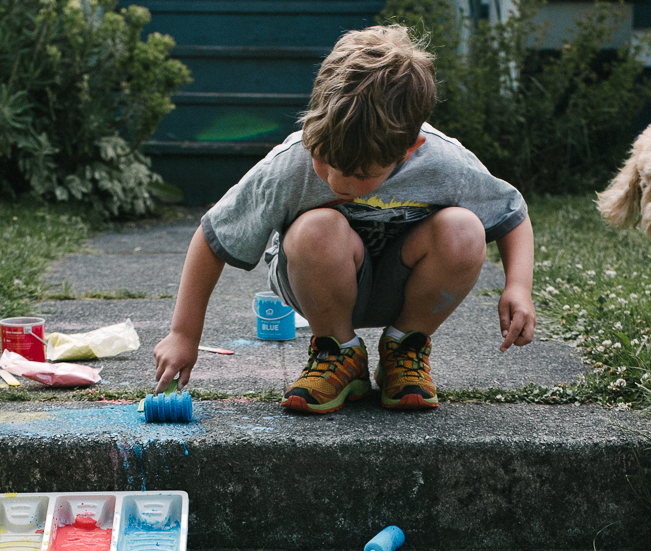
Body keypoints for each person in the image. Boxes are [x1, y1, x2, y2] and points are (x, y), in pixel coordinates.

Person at [151, 25, 536, 414]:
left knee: (464, 228)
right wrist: (183, 333)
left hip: (402, 286)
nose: (337, 180)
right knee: (317, 227)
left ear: (408, 149)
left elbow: (511, 214)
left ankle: (405, 349)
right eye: (325, 161)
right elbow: (213, 235)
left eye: (360, 174)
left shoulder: (444, 163)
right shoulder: (290, 165)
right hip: (318, 284)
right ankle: (337, 353)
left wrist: (518, 287)